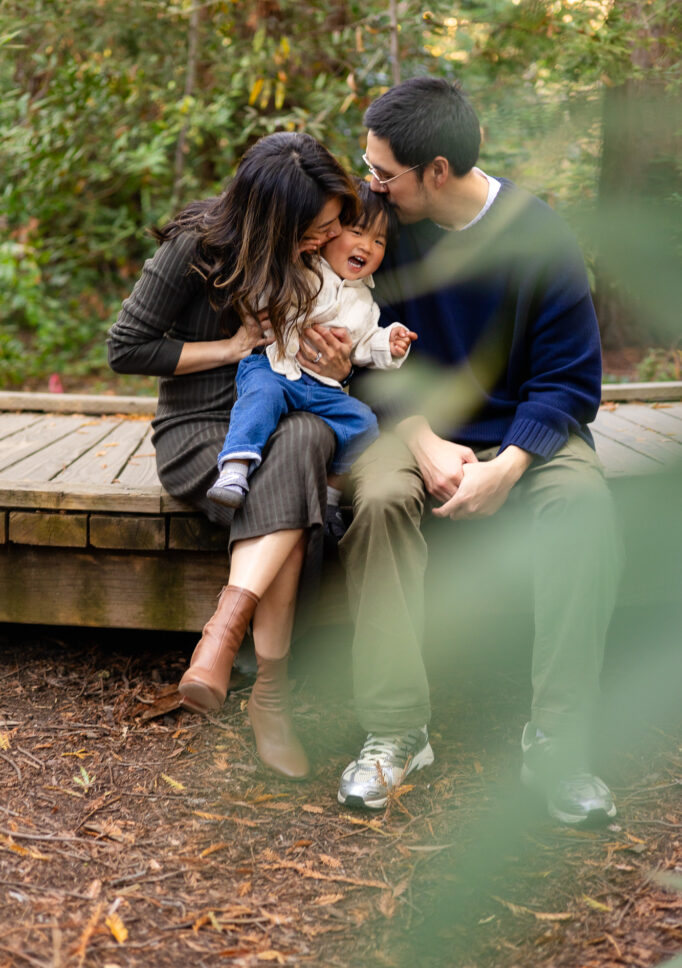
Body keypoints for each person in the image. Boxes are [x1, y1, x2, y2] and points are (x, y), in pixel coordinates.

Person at [336, 77, 623, 825]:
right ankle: (397, 732)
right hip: (411, 428)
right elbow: (362, 354)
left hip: (527, 430)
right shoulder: (384, 233)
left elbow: (570, 380)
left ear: (436, 170)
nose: (372, 185)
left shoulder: (541, 236)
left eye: (383, 172)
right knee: (379, 498)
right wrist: (421, 438)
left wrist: (510, 465)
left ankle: (559, 741)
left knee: (582, 506)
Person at [107, 131, 360, 780]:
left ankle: (223, 632)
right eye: (317, 228)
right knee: (295, 473)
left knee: (306, 439)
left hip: (286, 425)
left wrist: (339, 368)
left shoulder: (317, 262)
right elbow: (125, 347)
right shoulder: (196, 247)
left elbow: (346, 345)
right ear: (275, 221)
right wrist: (231, 347)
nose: (329, 237)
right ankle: (271, 697)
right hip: (200, 433)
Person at [205, 178, 417, 515]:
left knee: (363, 422)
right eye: (357, 232)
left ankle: (332, 493)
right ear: (330, 233)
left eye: (379, 241)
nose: (367, 246)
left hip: (323, 389)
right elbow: (263, 291)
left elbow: (363, 345)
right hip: (276, 368)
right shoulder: (301, 268)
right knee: (260, 396)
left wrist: (388, 343)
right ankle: (235, 469)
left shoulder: (366, 301)